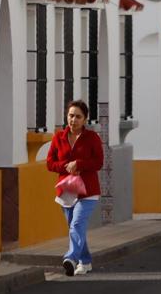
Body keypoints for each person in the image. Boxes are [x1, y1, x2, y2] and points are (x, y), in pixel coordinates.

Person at [46, 100, 104, 277]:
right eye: (71, 115)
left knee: (77, 223)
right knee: (75, 227)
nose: (74, 120)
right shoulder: (58, 137)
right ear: (67, 116)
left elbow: (98, 163)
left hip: (88, 191)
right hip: (67, 191)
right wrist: (65, 166)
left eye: (78, 116)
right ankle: (85, 262)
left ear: (85, 119)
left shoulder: (92, 138)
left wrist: (79, 164)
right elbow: (50, 163)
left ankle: (70, 258)